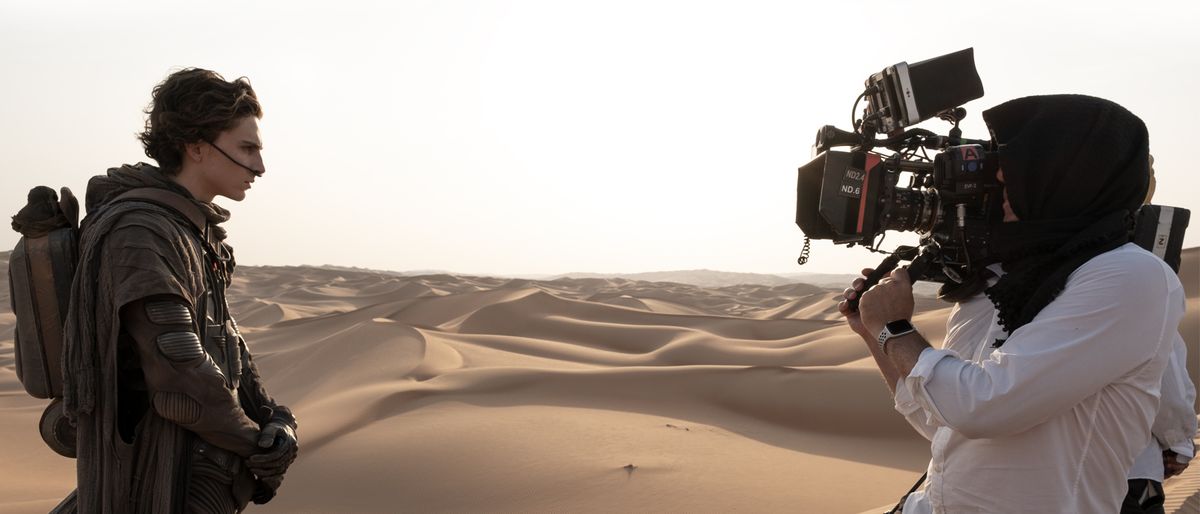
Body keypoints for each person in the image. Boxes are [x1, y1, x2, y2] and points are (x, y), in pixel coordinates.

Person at [838, 95, 1186, 513]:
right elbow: (943, 420)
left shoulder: (1131, 276)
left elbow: (985, 405)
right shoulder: (999, 282)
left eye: (1021, 161)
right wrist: (875, 334)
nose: (999, 175)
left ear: (1069, 174)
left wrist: (895, 329)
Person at [58, 68, 298, 513]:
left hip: (195, 473)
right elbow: (179, 372)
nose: (260, 167)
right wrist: (254, 445)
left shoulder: (192, 232)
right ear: (197, 147)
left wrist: (276, 420)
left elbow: (224, 348)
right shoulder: (140, 231)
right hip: (147, 484)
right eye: (248, 148)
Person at [1121, 153, 1196, 514]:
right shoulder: (1134, 266)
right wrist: (1179, 442)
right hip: (1125, 474)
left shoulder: (1000, 260)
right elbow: (1158, 367)